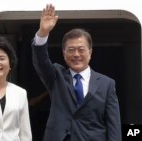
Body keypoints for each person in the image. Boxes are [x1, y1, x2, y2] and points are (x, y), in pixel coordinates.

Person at [31, 4, 122, 141]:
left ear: (90, 53)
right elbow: (41, 61)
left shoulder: (107, 84)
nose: (76, 54)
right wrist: (43, 33)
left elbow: (113, 125)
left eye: (81, 49)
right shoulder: (56, 76)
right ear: (64, 53)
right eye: (71, 50)